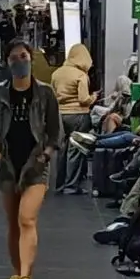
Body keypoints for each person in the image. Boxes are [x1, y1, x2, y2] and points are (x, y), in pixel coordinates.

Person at [0, 38, 59, 279]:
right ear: (6, 62)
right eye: (14, 58)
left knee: (27, 218)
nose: (19, 62)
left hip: (35, 166)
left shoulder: (45, 93)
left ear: (31, 57)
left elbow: (55, 133)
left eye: (23, 56)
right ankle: (16, 272)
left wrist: (45, 156)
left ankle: (26, 276)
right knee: (13, 223)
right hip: (6, 167)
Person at [51, 41, 96, 193]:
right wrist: (94, 97)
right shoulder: (80, 75)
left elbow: (52, 95)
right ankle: (71, 186)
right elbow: (84, 99)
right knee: (76, 149)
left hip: (60, 115)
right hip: (78, 114)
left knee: (62, 150)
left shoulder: (56, 73)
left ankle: (60, 184)